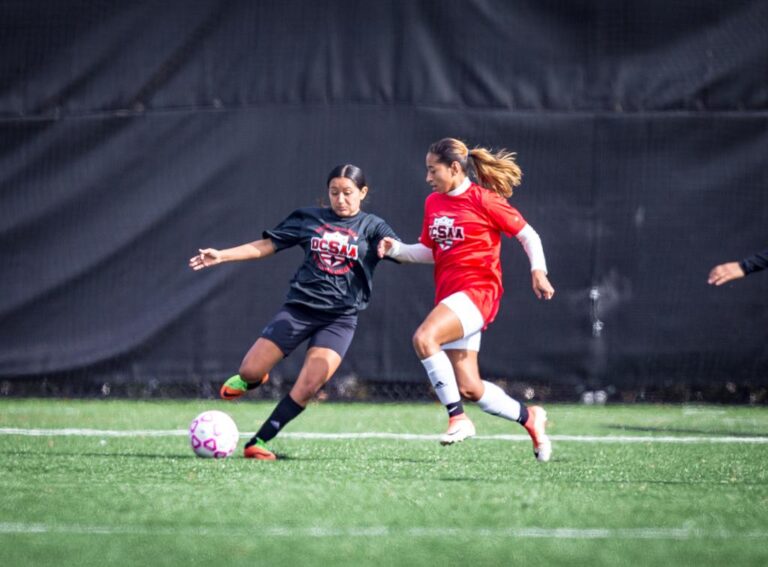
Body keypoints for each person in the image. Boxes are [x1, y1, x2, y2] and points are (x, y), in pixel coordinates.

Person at [189, 164, 398, 460]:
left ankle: (258, 442)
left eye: (348, 193)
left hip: (339, 320)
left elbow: (398, 247)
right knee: (249, 369)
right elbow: (266, 245)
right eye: (334, 192)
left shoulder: (373, 226)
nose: (340, 199)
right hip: (299, 310)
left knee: (309, 384)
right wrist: (222, 255)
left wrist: (393, 247)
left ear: (363, 193)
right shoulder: (309, 218)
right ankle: (254, 378)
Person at [378, 138, 555, 462]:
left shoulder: (484, 200)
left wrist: (538, 271)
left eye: (434, 170)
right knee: (471, 387)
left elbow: (528, 235)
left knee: (424, 338)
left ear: (455, 168)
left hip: (479, 293)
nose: (428, 177)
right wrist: (396, 250)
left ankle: (457, 418)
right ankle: (530, 418)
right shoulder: (433, 202)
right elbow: (431, 251)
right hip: (451, 296)